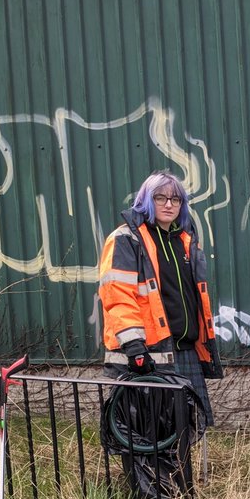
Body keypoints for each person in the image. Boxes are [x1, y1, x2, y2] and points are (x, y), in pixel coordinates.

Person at [98, 170, 222, 424]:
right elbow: (118, 295)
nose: (169, 204)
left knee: (187, 428)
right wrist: (134, 345)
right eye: (160, 197)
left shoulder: (186, 241)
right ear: (145, 200)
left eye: (175, 199)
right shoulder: (126, 239)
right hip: (148, 354)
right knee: (147, 434)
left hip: (186, 351)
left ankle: (181, 467)